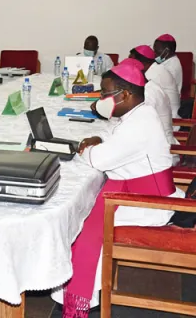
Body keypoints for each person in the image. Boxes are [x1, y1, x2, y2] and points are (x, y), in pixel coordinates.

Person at [52, 62, 183, 317]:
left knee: (78, 222)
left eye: (104, 93)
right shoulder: (138, 113)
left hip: (147, 205)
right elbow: (112, 136)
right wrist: (98, 139)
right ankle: (78, 291)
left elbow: (98, 160)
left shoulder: (141, 123)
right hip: (137, 192)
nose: (100, 99)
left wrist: (86, 149)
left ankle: (80, 297)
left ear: (124, 95)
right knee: (83, 208)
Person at [121, 57, 179, 160]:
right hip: (153, 144)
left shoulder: (147, 94)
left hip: (160, 154)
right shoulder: (149, 86)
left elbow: (135, 130)